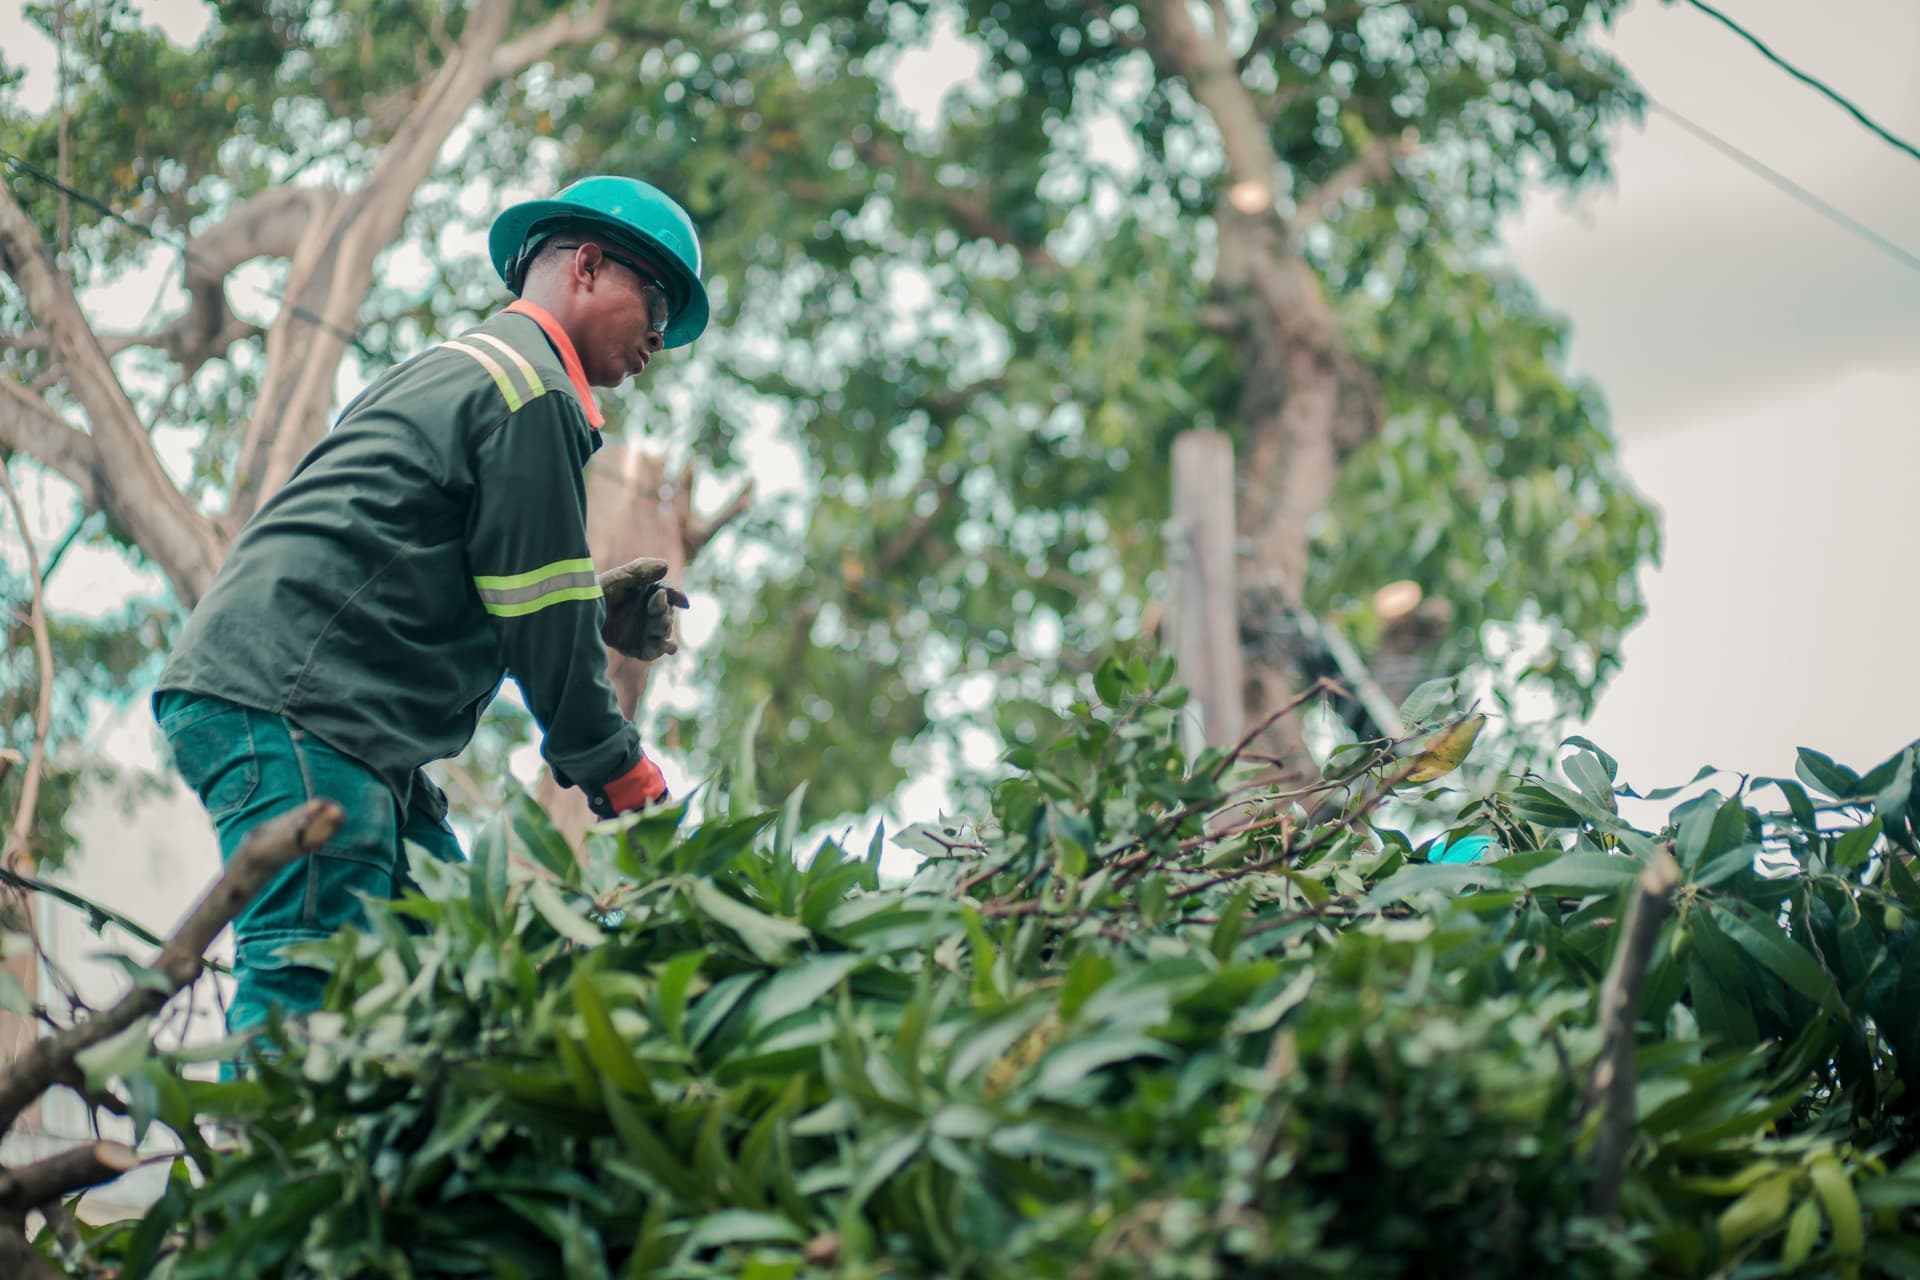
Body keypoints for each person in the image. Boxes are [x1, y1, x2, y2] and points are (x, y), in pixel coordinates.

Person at [153, 175, 706, 1034]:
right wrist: (620, 772)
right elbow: (536, 616)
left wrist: (587, 610)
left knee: (455, 968)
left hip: (333, 715)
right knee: (310, 975)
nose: (662, 338)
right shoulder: (531, 392)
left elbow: (451, 569)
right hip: (301, 708)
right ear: (588, 266)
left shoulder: (475, 374)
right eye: (658, 299)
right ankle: (263, 1164)